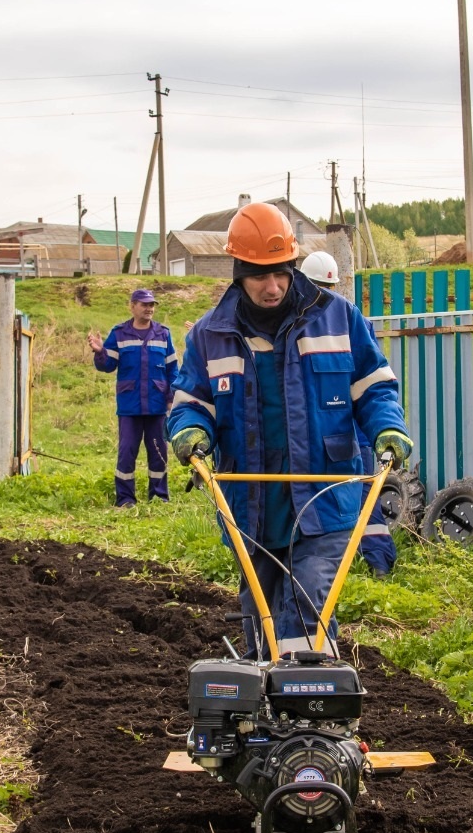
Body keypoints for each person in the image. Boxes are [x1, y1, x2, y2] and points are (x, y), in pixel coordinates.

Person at [167, 203, 414, 658]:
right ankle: (263, 692)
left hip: (325, 492)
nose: (273, 286)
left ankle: (310, 691)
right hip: (251, 501)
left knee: (306, 601)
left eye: (281, 273)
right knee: (258, 610)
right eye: (260, 276)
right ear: (239, 271)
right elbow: (192, 403)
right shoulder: (210, 335)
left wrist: (388, 428)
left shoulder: (338, 318)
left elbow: (374, 387)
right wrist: (190, 431)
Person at [300, 249, 398, 576]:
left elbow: (372, 382)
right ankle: (368, 562)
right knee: (361, 498)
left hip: (348, 433)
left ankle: (367, 562)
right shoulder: (351, 319)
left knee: (356, 497)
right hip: (350, 432)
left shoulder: (344, 322)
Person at [87, 289, 176, 506]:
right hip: (130, 406)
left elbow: (173, 369)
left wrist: (171, 398)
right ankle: (125, 499)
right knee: (126, 453)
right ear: (132, 306)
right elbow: (107, 366)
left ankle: (159, 497)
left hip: (157, 406)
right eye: (144, 304)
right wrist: (100, 352)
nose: (149, 309)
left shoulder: (163, 334)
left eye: (152, 305)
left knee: (159, 452)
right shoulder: (119, 333)